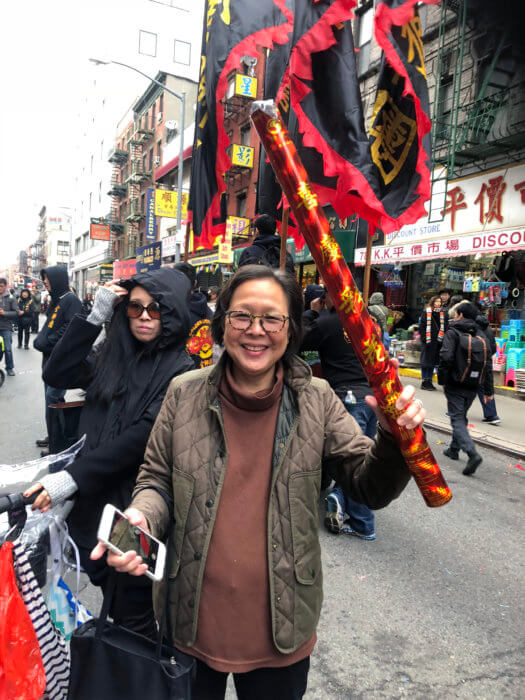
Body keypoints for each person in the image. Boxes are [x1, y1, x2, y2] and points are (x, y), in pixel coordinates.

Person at [93, 265, 425, 699]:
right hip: (189, 621)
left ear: (290, 331)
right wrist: (141, 518)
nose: (256, 331)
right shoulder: (183, 393)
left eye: (271, 318)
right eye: (242, 317)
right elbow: (155, 481)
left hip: (282, 629)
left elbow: (368, 488)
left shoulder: (317, 400)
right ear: (222, 323)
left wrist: (394, 439)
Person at [25, 267, 194, 637]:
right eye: (135, 308)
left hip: (135, 509)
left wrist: (70, 478)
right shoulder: (112, 351)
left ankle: (142, 683)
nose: (145, 317)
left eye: (156, 309)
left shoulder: (181, 369)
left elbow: (141, 438)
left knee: (133, 615)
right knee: (97, 591)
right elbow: (57, 373)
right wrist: (93, 317)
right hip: (90, 503)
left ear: (174, 313)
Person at [302, 291, 382, 540]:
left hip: (347, 397)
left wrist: (313, 312)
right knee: (363, 459)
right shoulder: (367, 322)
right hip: (371, 397)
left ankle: (361, 522)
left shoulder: (328, 322)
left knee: (352, 462)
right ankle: (342, 498)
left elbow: (297, 340)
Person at [438, 301, 492, 476]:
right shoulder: (481, 334)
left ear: (460, 315)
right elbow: (488, 363)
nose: (454, 316)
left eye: (456, 314)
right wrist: (489, 390)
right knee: (461, 416)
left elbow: (445, 357)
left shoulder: (453, 332)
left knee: (457, 418)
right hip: (474, 386)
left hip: (455, 383)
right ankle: (454, 449)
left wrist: (443, 380)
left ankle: (472, 453)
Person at [33, 266, 83, 452]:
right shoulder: (58, 300)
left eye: (47, 279)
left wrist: (49, 342)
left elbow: (72, 327)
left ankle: (58, 443)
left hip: (61, 361)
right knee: (52, 400)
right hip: (50, 360)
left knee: (53, 397)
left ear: (57, 279)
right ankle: (54, 435)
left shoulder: (71, 300)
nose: (45, 282)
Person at [173, 261, 214, 369]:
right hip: (208, 374)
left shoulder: (173, 314)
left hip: (183, 380)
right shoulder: (210, 312)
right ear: (195, 283)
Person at [474, 306, 501, 425]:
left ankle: (491, 415)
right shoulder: (489, 330)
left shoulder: (475, 331)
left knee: (470, 387)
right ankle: (492, 414)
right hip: (487, 361)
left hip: (477, 363)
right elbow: (494, 348)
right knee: (484, 387)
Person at [418, 295, 447, 391]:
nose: (438, 303)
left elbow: (446, 327)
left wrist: (442, 339)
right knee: (425, 362)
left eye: (440, 302)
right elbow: (421, 326)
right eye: (436, 301)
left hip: (438, 342)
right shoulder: (426, 312)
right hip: (428, 341)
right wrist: (424, 339)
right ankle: (425, 381)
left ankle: (429, 380)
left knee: (433, 362)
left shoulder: (443, 314)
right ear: (432, 302)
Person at [0, 277, 18, 376]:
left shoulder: (11, 298)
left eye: (1, 286)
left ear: (5, 286)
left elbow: (16, 313)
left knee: (7, 349)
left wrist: (4, 313)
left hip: (6, 327)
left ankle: (9, 368)